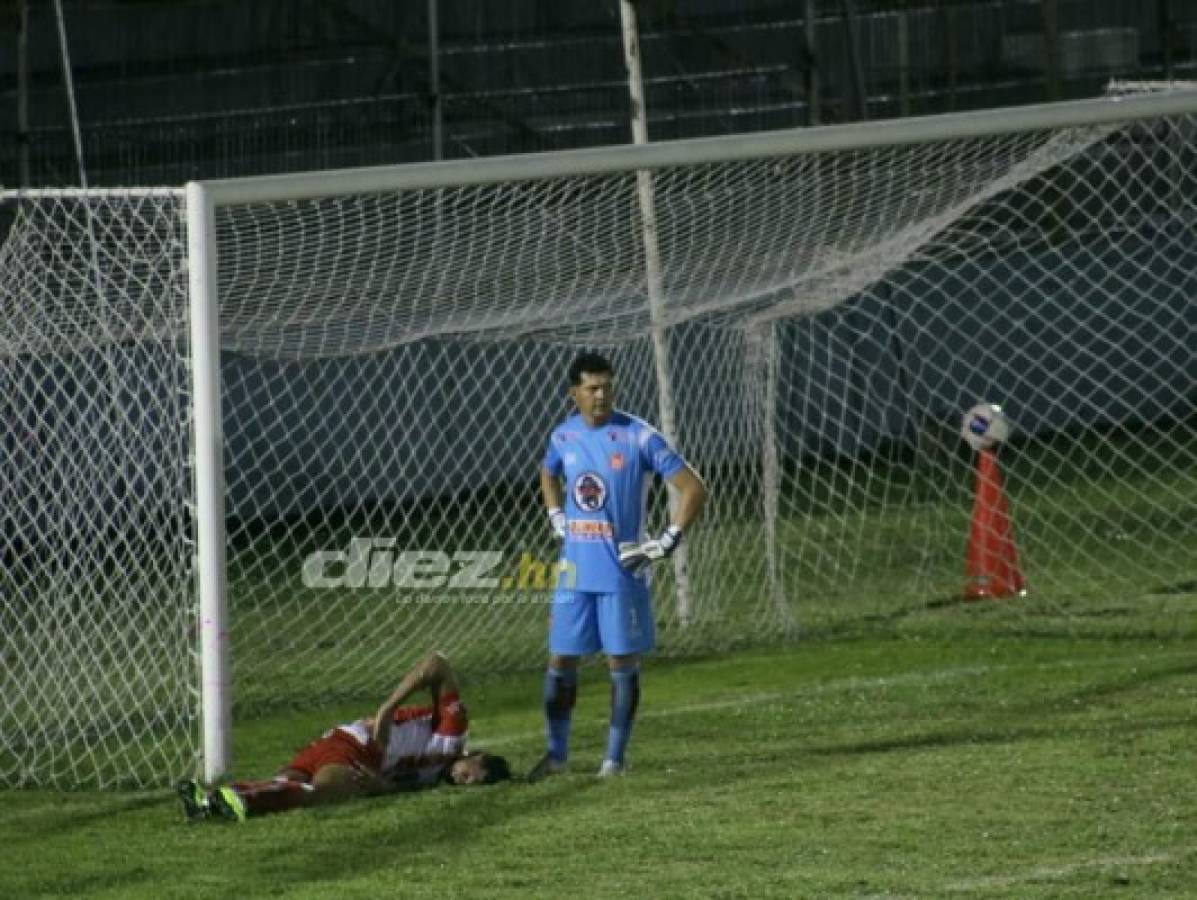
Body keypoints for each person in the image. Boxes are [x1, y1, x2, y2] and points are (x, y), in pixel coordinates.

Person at [529, 351, 706, 779]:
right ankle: (556, 756)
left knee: (620, 664)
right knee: (560, 660)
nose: (601, 394)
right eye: (591, 387)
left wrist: (667, 539)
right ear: (574, 393)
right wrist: (555, 516)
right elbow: (547, 473)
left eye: (607, 385)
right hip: (574, 571)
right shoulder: (563, 437)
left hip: (621, 574)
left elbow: (694, 487)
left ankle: (614, 760)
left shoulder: (638, 436)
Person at [177, 650, 510, 822]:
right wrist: (389, 707)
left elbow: (396, 785)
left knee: (286, 783)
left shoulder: (431, 780)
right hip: (356, 748)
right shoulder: (452, 735)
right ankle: (245, 799)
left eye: (467, 785)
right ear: (476, 755)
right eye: (470, 774)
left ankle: (208, 800)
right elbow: (437, 663)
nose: (461, 779)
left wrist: (382, 787)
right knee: (319, 793)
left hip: (337, 743)